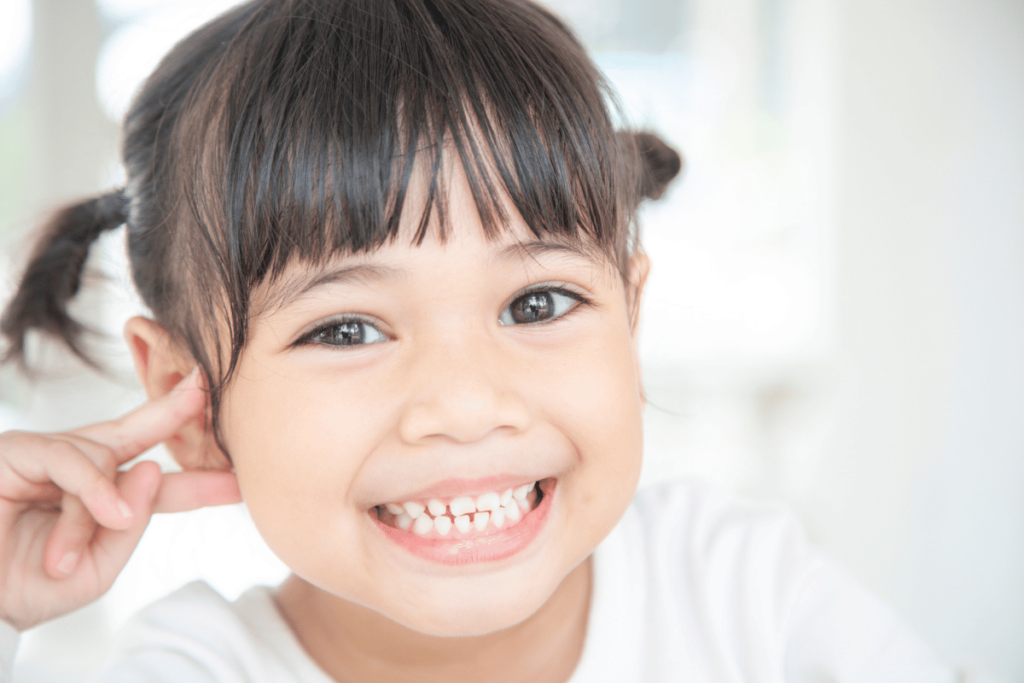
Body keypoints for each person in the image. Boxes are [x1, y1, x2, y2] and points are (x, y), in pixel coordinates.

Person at [0, 0, 958, 680]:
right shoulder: (198, 666)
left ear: (631, 313)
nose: (465, 403)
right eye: (346, 326)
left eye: (537, 304)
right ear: (192, 395)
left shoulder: (737, 588)